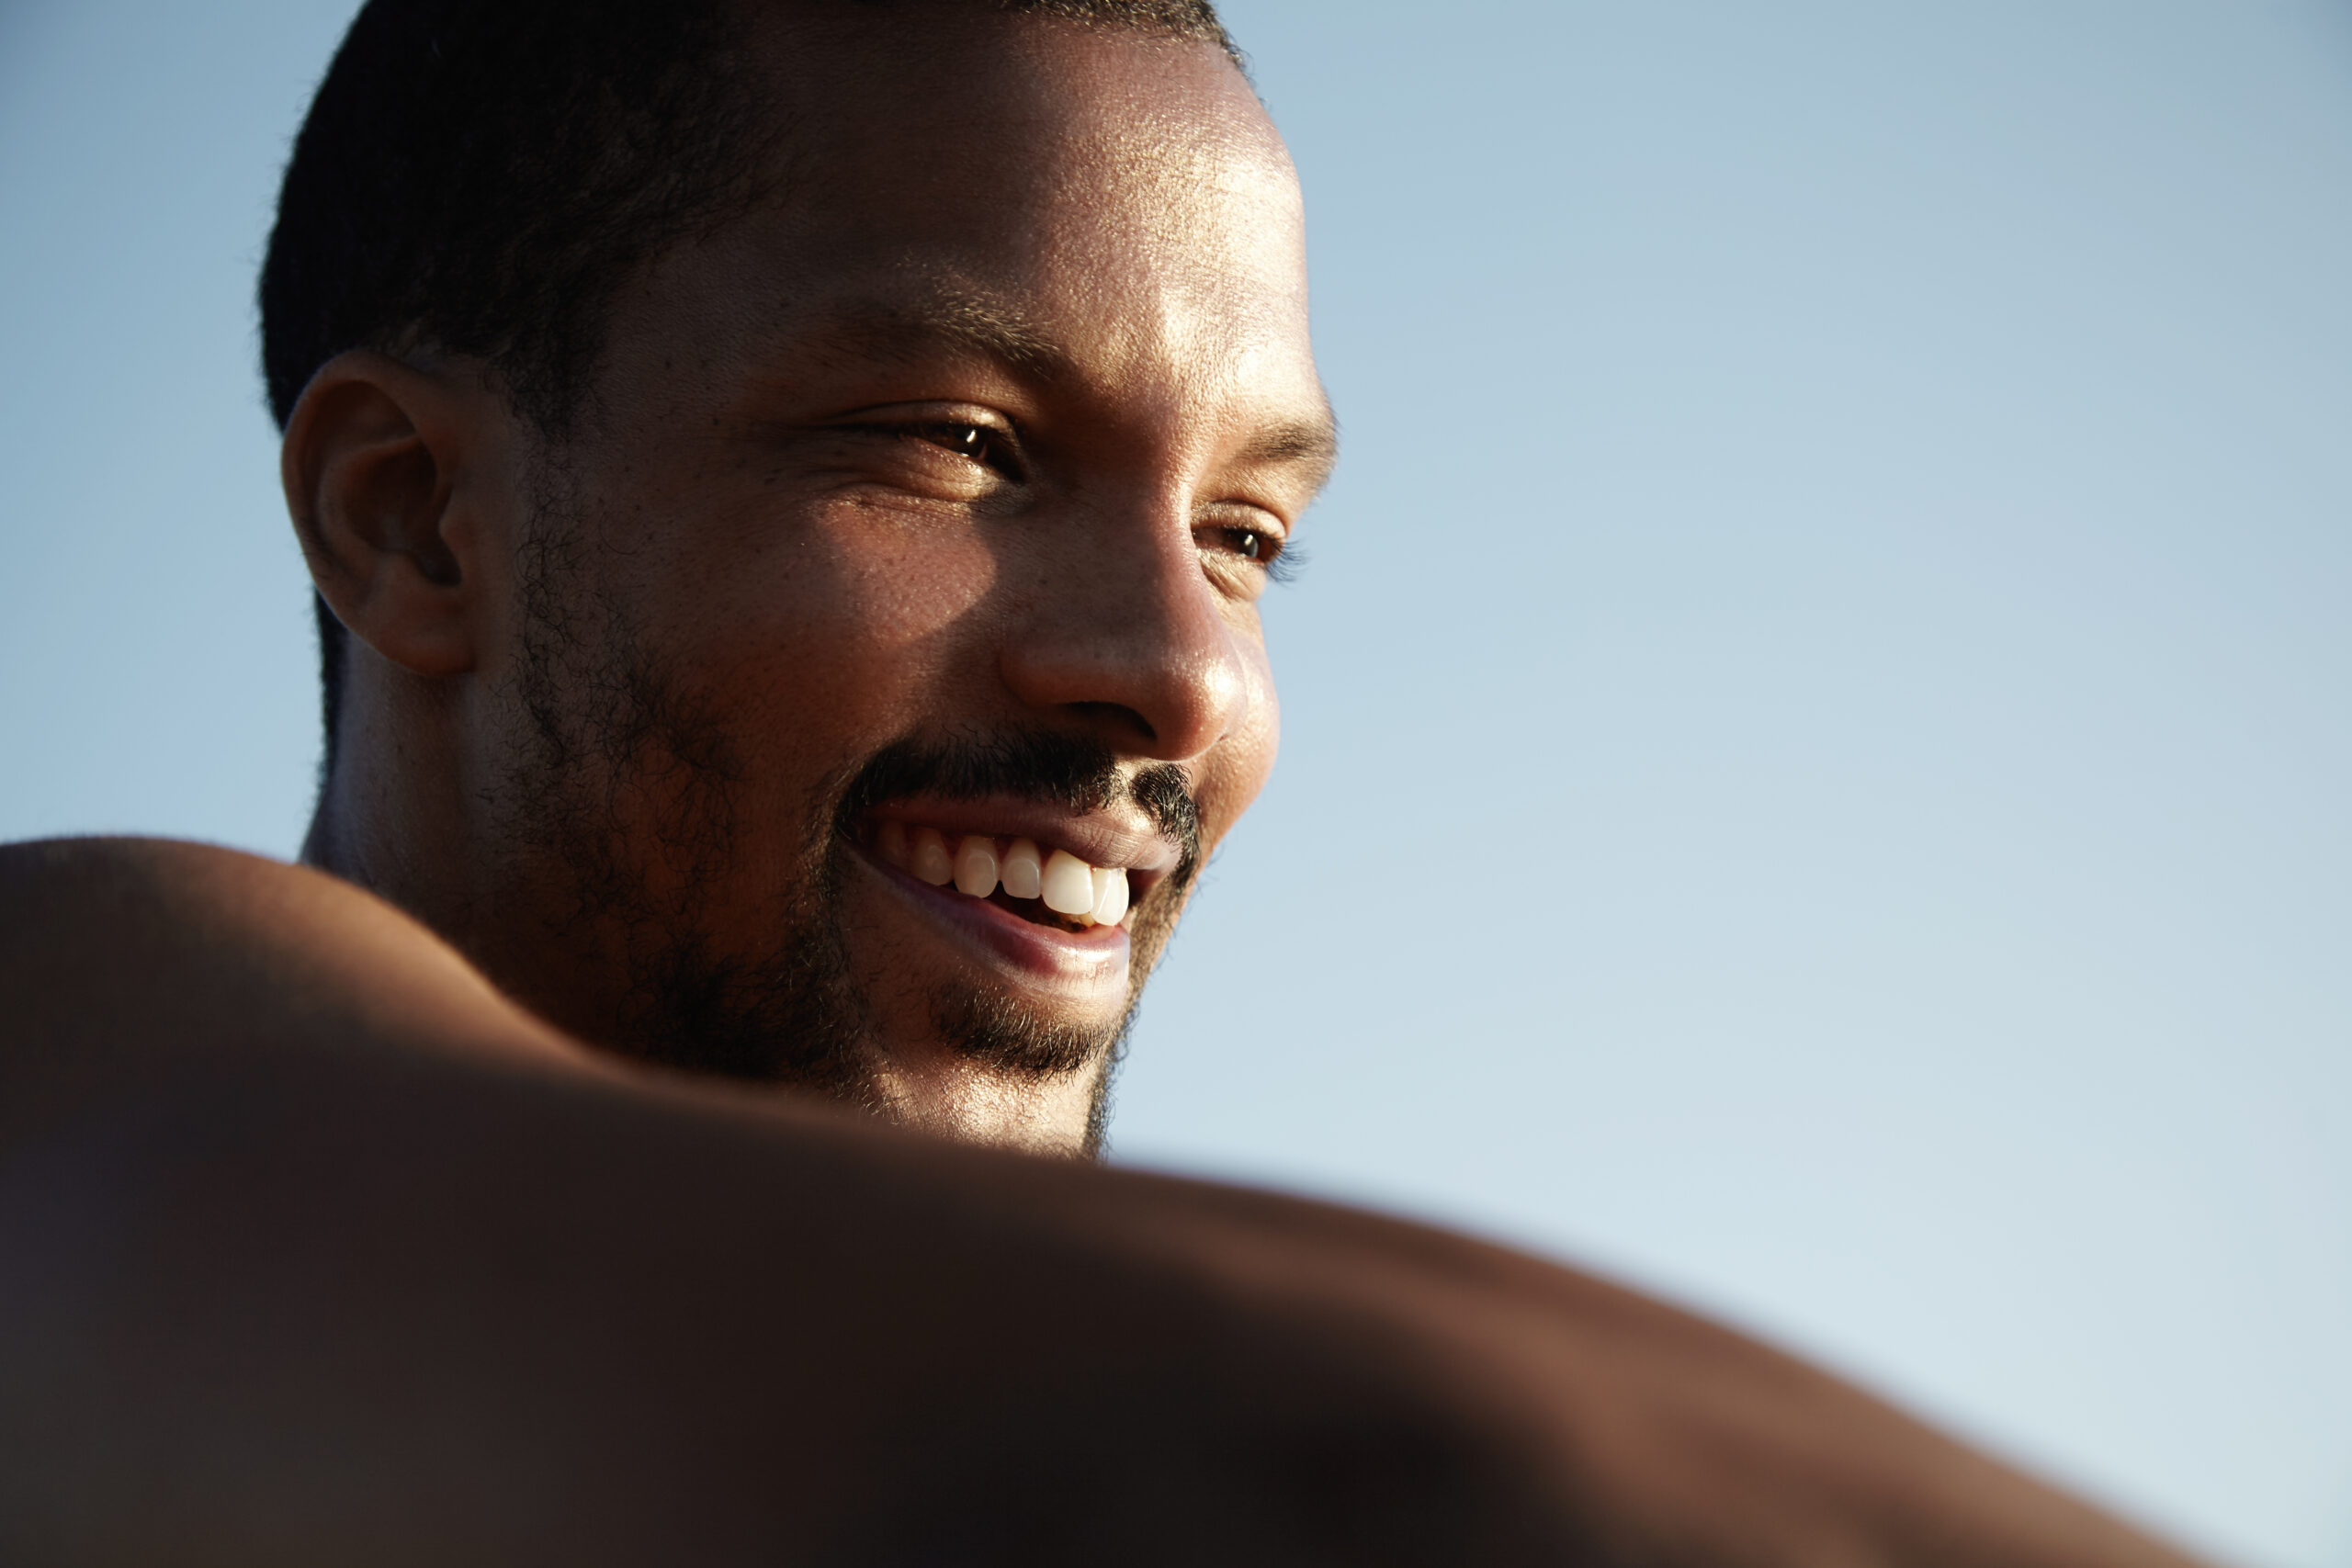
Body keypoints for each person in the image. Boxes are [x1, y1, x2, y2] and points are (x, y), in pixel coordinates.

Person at [0, 2, 2209, 1562]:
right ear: (413, 521)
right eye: (962, 444)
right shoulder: (75, 1054)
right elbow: (1343, 1475)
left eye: (1245, 534)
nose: (1180, 674)